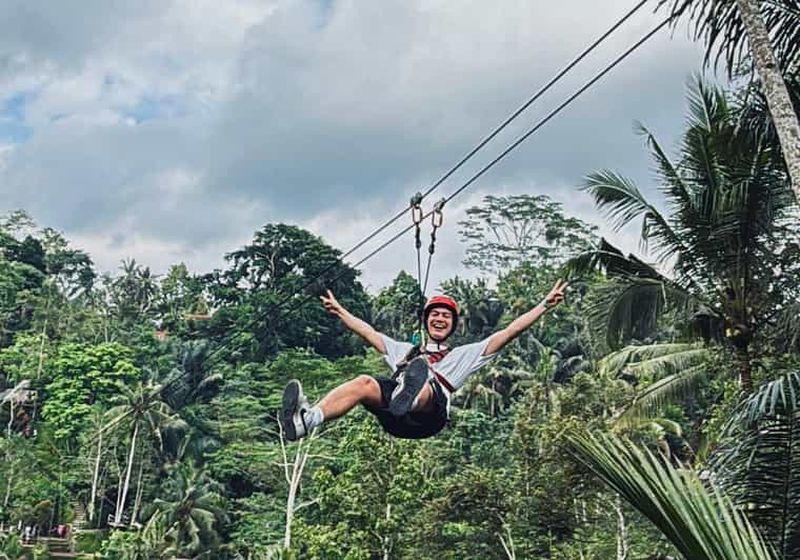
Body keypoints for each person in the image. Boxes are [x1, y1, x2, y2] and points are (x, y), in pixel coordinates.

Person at [280, 279, 568, 441]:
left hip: (429, 418)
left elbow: (510, 331)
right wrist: (340, 311)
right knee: (364, 383)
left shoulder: (463, 355)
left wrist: (544, 305)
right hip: (395, 419)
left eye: (446, 316)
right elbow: (369, 333)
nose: (440, 319)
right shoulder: (404, 350)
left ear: (452, 325)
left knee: (426, 382)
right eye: (435, 315)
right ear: (427, 321)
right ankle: (308, 420)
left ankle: (410, 395)